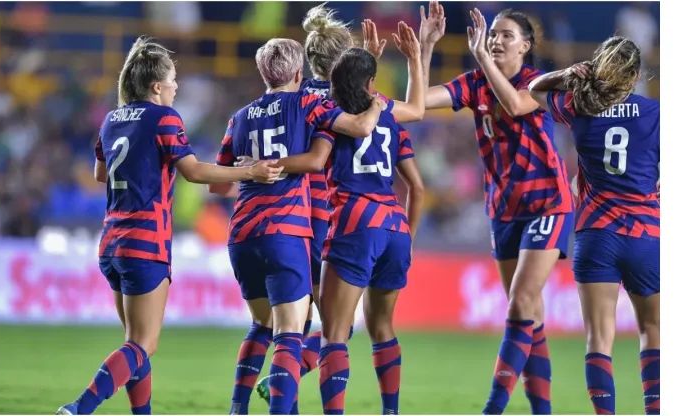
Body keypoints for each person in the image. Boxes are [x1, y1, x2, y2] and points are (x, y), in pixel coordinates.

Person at [56, 36, 282, 416]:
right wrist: (252, 171)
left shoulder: (112, 119)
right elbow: (193, 172)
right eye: (173, 79)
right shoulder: (164, 118)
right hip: (147, 241)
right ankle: (79, 407)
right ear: (157, 86)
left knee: (135, 341)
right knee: (143, 344)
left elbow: (100, 173)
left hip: (111, 241)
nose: (177, 85)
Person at [249, 3, 442, 413]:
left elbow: (314, 154)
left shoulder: (307, 101)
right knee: (370, 325)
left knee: (315, 327)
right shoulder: (380, 107)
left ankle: (283, 393)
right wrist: (410, 58)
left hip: (321, 219)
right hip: (391, 225)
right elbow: (416, 117)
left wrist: (255, 168)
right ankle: (385, 408)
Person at [209, 37, 391, 415]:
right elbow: (359, 127)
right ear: (298, 73)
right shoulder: (309, 103)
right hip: (289, 229)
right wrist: (376, 101)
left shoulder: (239, 117)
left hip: (242, 230)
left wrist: (254, 175)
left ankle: (237, 409)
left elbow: (218, 184)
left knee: (261, 325)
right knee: (293, 334)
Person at [421, 8, 574, 415]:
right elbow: (418, 106)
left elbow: (516, 105)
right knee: (530, 313)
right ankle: (542, 410)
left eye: (506, 35)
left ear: (525, 45)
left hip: (547, 203)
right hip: (504, 209)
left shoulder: (538, 83)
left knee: (521, 302)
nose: (496, 41)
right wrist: (424, 50)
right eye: (492, 36)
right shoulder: (474, 84)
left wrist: (483, 59)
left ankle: (492, 409)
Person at [528, 36, 660, 416]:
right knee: (652, 330)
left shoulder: (577, 108)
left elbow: (533, 89)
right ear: (635, 76)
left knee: (598, 338)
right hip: (645, 233)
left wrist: (566, 73)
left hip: (596, 232)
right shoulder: (654, 113)